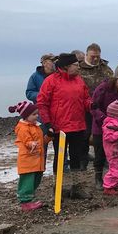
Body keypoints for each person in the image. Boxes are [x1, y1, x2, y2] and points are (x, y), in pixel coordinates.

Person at [37, 52, 92, 199]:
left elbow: (85, 99)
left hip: (78, 126)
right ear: (66, 66)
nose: (78, 67)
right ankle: (58, 189)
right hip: (59, 127)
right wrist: (48, 123)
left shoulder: (79, 80)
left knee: (77, 157)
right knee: (60, 158)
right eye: (75, 65)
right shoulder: (51, 81)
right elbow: (42, 103)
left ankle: (77, 188)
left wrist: (92, 105)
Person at [90, 63, 118, 188]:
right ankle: (98, 178)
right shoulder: (103, 87)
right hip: (101, 126)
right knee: (100, 153)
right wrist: (104, 119)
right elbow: (93, 106)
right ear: (115, 78)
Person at [78, 43, 114, 171]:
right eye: (92, 56)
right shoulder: (78, 69)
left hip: (102, 108)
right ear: (86, 55)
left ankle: (102, 160)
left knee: (102, 135)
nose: (95, 59)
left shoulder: (105, 69)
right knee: (84, 135)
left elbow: (112, 85)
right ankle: (83, 160)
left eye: (97, 57)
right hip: (84, 108)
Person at [11, 100, 49, 211]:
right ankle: (25, 202)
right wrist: (31, 143)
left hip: (37, 160)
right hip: (28, 161)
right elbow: (27, 141)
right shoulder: (23, 128)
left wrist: (50, 136)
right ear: (26, 115)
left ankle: (29, 200)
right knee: (27, 182)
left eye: (37, 114)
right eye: (34, 114)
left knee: (36, 180)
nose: (36, 116)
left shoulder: (36, 127)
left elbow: (42, 141)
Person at [101, 100, 118, 196]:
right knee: (114, 170)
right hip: (114, 151)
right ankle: (108, 186)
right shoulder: (109, 124)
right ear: (116, 114)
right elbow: (109, 137)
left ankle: (116, 184)